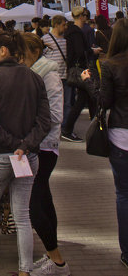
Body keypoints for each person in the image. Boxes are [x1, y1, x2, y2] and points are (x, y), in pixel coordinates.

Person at [0, 30, 51, 276]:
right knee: (22, 217)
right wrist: (25, 145)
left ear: (3, 50)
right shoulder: (34, 77)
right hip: (27, 157)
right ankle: (25, 271)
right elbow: (44, 121)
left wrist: (13, 144)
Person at [21, 34, 69, 276]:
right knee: (44, 200)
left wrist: (30, 134)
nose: (18, 58)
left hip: (44, 146)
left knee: (34, 203)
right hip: (39, 144)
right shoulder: (33, 72)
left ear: (33, 52)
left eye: (21, 53)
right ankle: (52, 255)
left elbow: (54, 115)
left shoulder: (46, 74)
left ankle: (58, 262)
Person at [82, 18, 128, 270]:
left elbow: (104, 102)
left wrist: (89, 81)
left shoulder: (110, 64)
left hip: (121, 135)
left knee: (124, 194)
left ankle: (127, 252)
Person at [62, 6, 96, 142]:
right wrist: (92, 51)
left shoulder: (72, 31)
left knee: (86, 99)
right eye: (85, 15)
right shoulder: (76, 32)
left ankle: (96, 129)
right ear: (81, 16)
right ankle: (68, 129)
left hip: (77, 69)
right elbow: (80, 51)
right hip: (80, 70)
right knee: (86, 98)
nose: (86, 17)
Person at [42, 16, 69, 126]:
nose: (65, 27)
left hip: (65, 75)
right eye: (63, 25)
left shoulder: (66, 39)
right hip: (51, 77)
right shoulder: (45, 40)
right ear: (56, 25)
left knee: (66, 103)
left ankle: (64, 127)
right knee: (52, 103)